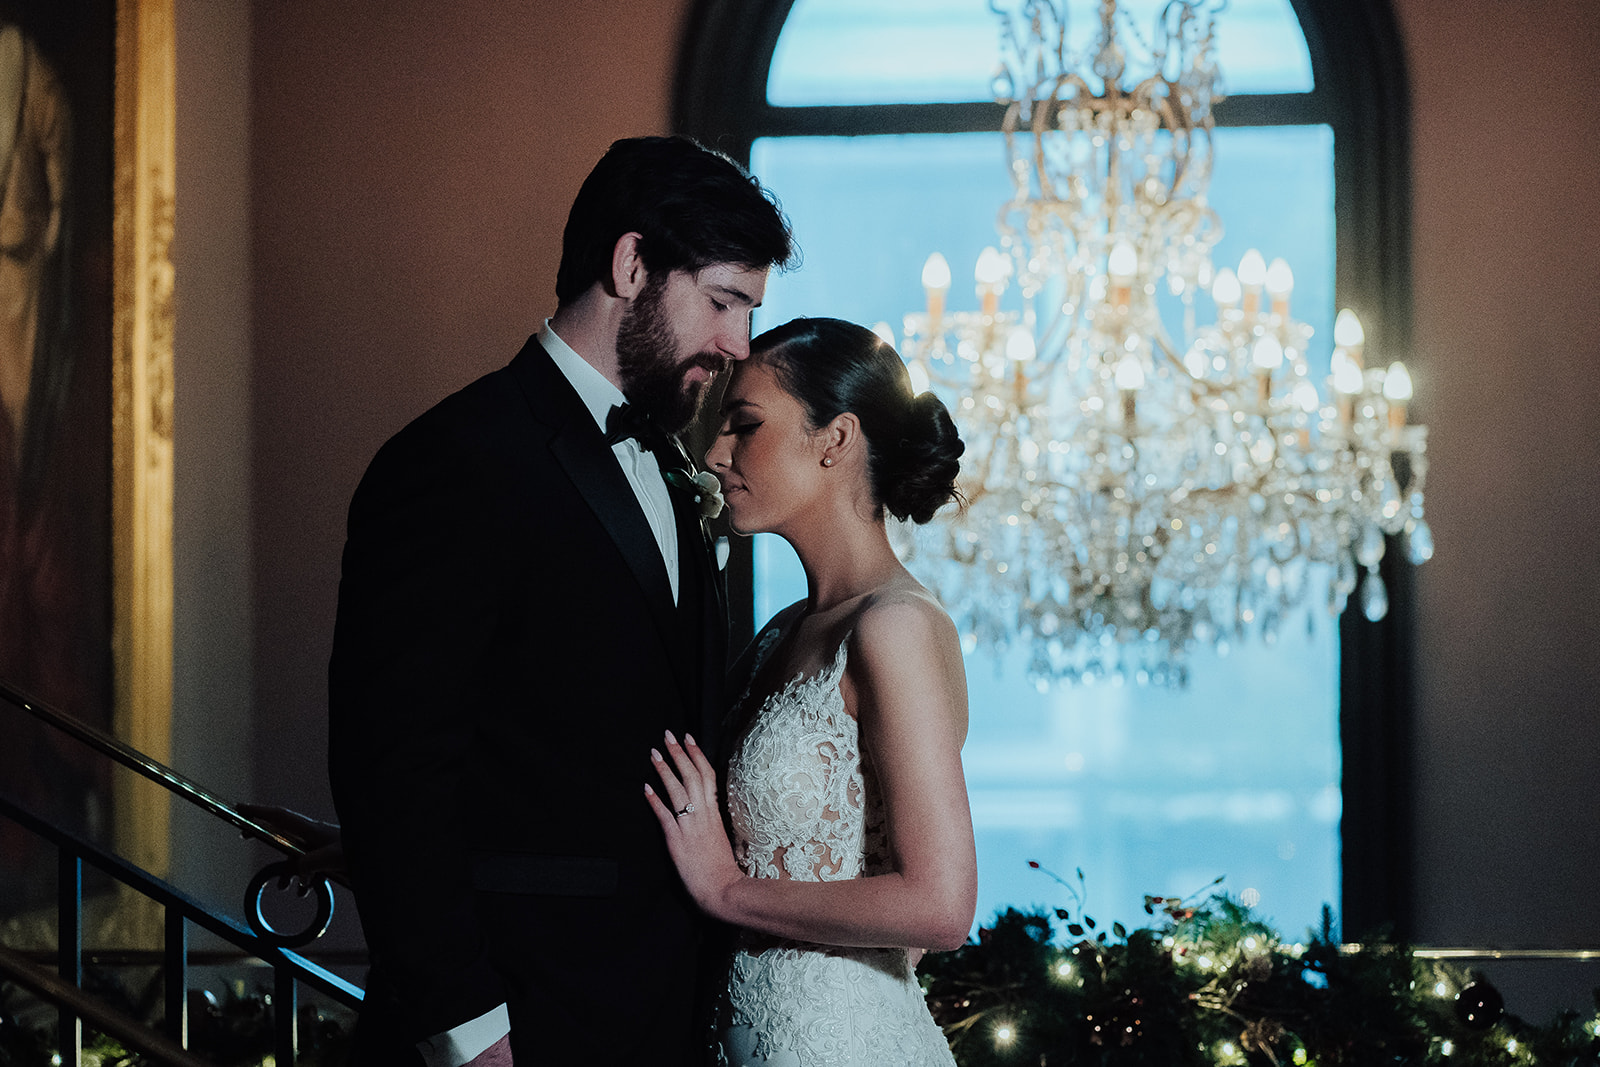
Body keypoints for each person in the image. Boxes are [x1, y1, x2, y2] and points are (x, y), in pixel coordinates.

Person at [328, 135, 794, 1067]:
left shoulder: (674, 462)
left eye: (747, 311)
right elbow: (396, 772)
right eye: (722, 301)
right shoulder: (453, 459)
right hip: (523, 1021)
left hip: (664, 1017)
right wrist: (471, 1033)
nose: (737, 345)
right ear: (630, 265)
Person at [644, 317, 977, 1065]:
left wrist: (728, 894)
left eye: (745, 425)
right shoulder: (782, 631)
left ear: (835, 439)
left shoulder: (896, 626)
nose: (715, 453)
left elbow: (941, 904)